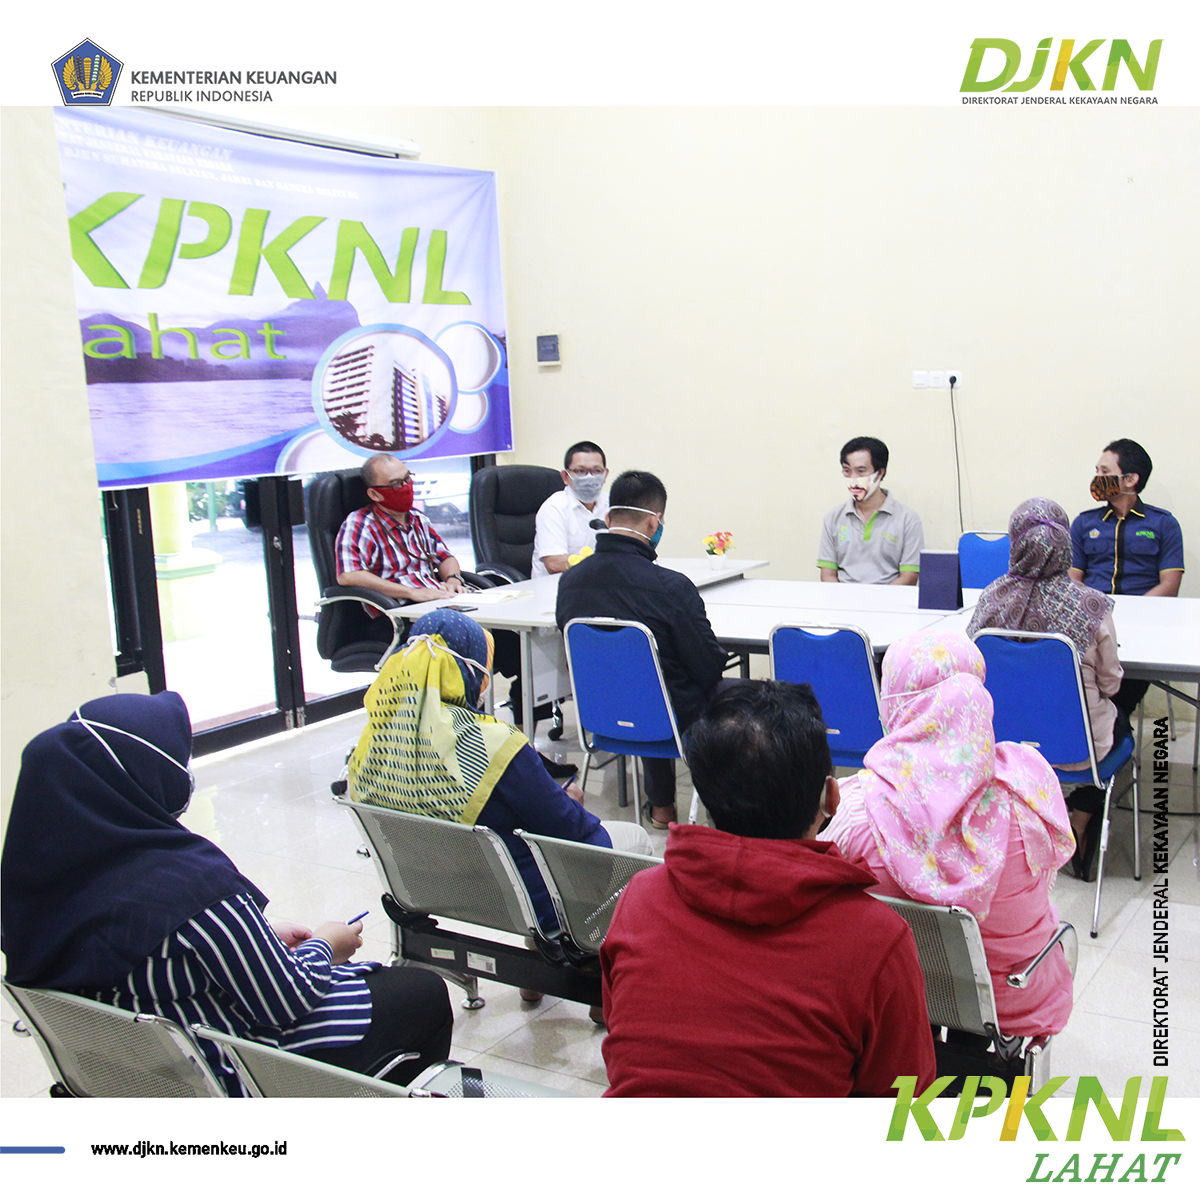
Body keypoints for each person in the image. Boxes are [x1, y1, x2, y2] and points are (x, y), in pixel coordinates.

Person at [0, 692, 453, 1097]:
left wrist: (253, 937)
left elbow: (138, 954)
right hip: (221, 1073)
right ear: (150, 778)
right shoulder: (188, 883)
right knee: (422, 993)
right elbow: (285, 1000)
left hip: (127, 1076)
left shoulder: (33, 884)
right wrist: (327, 944)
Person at [599, 679, 937, 1096]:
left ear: (705, 796)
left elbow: (622, 1034)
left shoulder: (640, 899)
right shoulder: (876, 939)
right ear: (832, 798)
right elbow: (904, 1097)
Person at [823, 630, 1076, 1037]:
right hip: (1014, 1002)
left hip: (891, 1003)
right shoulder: (1029, 789)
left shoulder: (856, 809)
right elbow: (1040, 887)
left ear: (895, 704)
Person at [347, 609, 654, 941]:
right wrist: (574, 802)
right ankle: (594, 952)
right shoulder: (494, 745)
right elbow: (571, 831)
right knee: (635, 839)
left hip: (428, 892)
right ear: (467, 671)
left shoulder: (372, 744)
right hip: (524, 901)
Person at [556, 470, 729, 828]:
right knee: (699, 688)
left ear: (608, 519)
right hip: (668, 716)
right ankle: (725, 814)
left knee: (644, 680)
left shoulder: (570, 581)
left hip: (600, 713)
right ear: (654, 523)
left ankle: (662, 808)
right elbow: (708, 667)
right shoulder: (671, 586)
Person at [968, 498, 1125, 881]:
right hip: (1077, 749)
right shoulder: (1092, 606)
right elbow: (1111, 683)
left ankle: (1029, 818)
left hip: (1004, 743)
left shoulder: (990, 598)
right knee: (1120, 718)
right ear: (1065, 545)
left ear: (1015, 543)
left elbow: (973, 670)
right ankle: (1080, 813)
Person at [1069, 438, 1185, 717]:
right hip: (1093, 624)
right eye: (1097, 471)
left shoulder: (1163, 524)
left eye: (1105, 472)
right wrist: (1098, 613)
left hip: (1145, 625)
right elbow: (1072, 580)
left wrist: (1132, 612)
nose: (1098, 478)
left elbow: (1170, 585)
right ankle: (1107, 724)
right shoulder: (1084, 523)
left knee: (1118, 693)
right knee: (1075, 678)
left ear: (1131, 479)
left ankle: (1112, 723)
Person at [336, 451, 470, 603]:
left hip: (439, 598)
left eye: (407, 478)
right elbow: (348, 575)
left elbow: (445, 557)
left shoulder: (418, 518)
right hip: (402, 607)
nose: (406, 487)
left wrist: (453, 580)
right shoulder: (361, 524)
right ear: (374, 494)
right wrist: (411, 592)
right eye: (396, 484)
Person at [818, 436, 924, 585]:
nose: (853, 478)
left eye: (861, 471)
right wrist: (843, 598)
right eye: (847, 471)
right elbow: (828, 575)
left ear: (880, 473)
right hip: (843, 597)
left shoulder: (907, 518)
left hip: (889, 597)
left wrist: (878, 598)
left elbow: (909, 576)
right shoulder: (833, 518)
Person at [530, 440, 610, 578]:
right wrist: (603, 563)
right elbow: (554, 564)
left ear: (605, 475)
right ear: (565, 476)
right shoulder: (554, 508)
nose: (589, 477)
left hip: (600, 584)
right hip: (557, 586)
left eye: (596, 471)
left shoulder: (612, 504)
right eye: (580, 471)